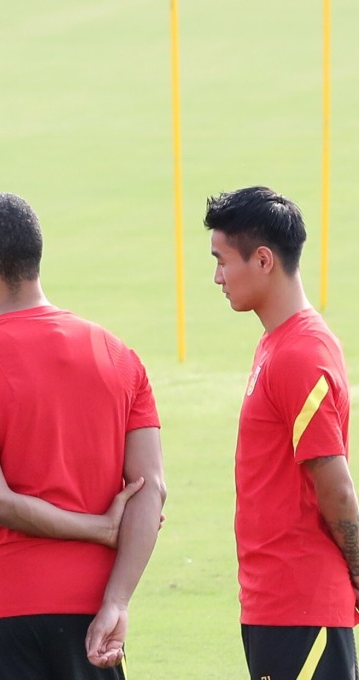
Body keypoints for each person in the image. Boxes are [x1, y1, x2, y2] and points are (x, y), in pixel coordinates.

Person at [0, 192, 166, 679]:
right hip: (91, 611)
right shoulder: (121, 358)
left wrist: (101, 527)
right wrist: (117, 602)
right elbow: (151, 491)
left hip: (0, 609)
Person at [206, 186, 359, 679]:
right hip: (275, 606)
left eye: (222, 261)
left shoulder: (300, 355)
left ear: (263, 260)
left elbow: (335, 486)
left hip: (302, 607)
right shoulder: (277, 345)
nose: (217, 277)